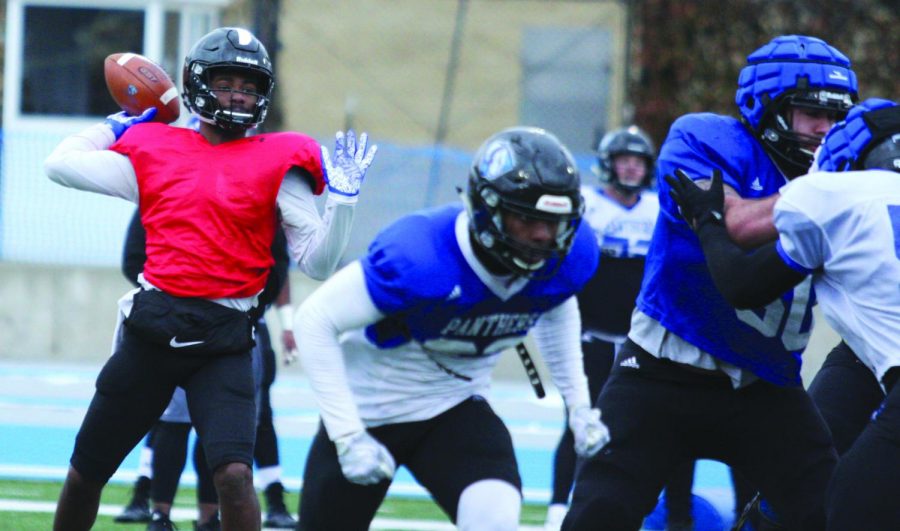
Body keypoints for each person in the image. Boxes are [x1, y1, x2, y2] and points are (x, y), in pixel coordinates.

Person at [43, 26, 376, 531]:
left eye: (248, 85)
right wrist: (113, 128)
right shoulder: (156, 148)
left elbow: (318, 264)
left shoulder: (280, 161)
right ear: (199, 84)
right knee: (86, 472)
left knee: (237, 476)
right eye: (226, 82)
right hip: (151, 332)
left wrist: (343, 205)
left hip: (224, 339)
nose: (238, 94)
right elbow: (59, 165)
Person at [562, 34, 858, 531]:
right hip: (662, 372)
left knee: (831, 513)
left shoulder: (841, 170)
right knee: (599, 514)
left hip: (768, 385)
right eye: (812, 113)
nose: (826, 130)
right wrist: (832, 196)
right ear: (768, 107)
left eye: (836, 117)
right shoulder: (705, 141)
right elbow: (734, 238)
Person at [293, 126, 610, 530]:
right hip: (370, 406)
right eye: (527, 219)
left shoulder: (569, 256)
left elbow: (557, 305)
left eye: (553, 221)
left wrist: (580, 406)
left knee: (495, 517)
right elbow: (315, 319)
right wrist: (347, 434)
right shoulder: (423, 256)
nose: (542, 236)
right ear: (487, 208)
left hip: (455, 403)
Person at [667, 98, 900, 531]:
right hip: (869, 354)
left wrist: (708, 218)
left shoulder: (835, 192)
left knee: (846, 504)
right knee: (808, 480)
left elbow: (742, 282)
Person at [114, 210, 299, 530]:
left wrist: (246, 309)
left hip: (233, 332)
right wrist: (169, 299)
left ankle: (211, 514)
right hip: (175, 326)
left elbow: (278, 263)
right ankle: (157, 508)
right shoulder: (169, 187)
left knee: (230, 428)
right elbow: (134, 255)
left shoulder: (257, 194)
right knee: (167, 422)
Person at [543, 125, 665, 530]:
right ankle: (558, 507)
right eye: (624, 160)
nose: (631, 168)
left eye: (638, 161)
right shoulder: (584, 206)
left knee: (641, 428)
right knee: (579, 421)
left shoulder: (658, 209)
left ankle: (623, 507)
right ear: (608, 164)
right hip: (590, 336)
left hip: (639, 341)